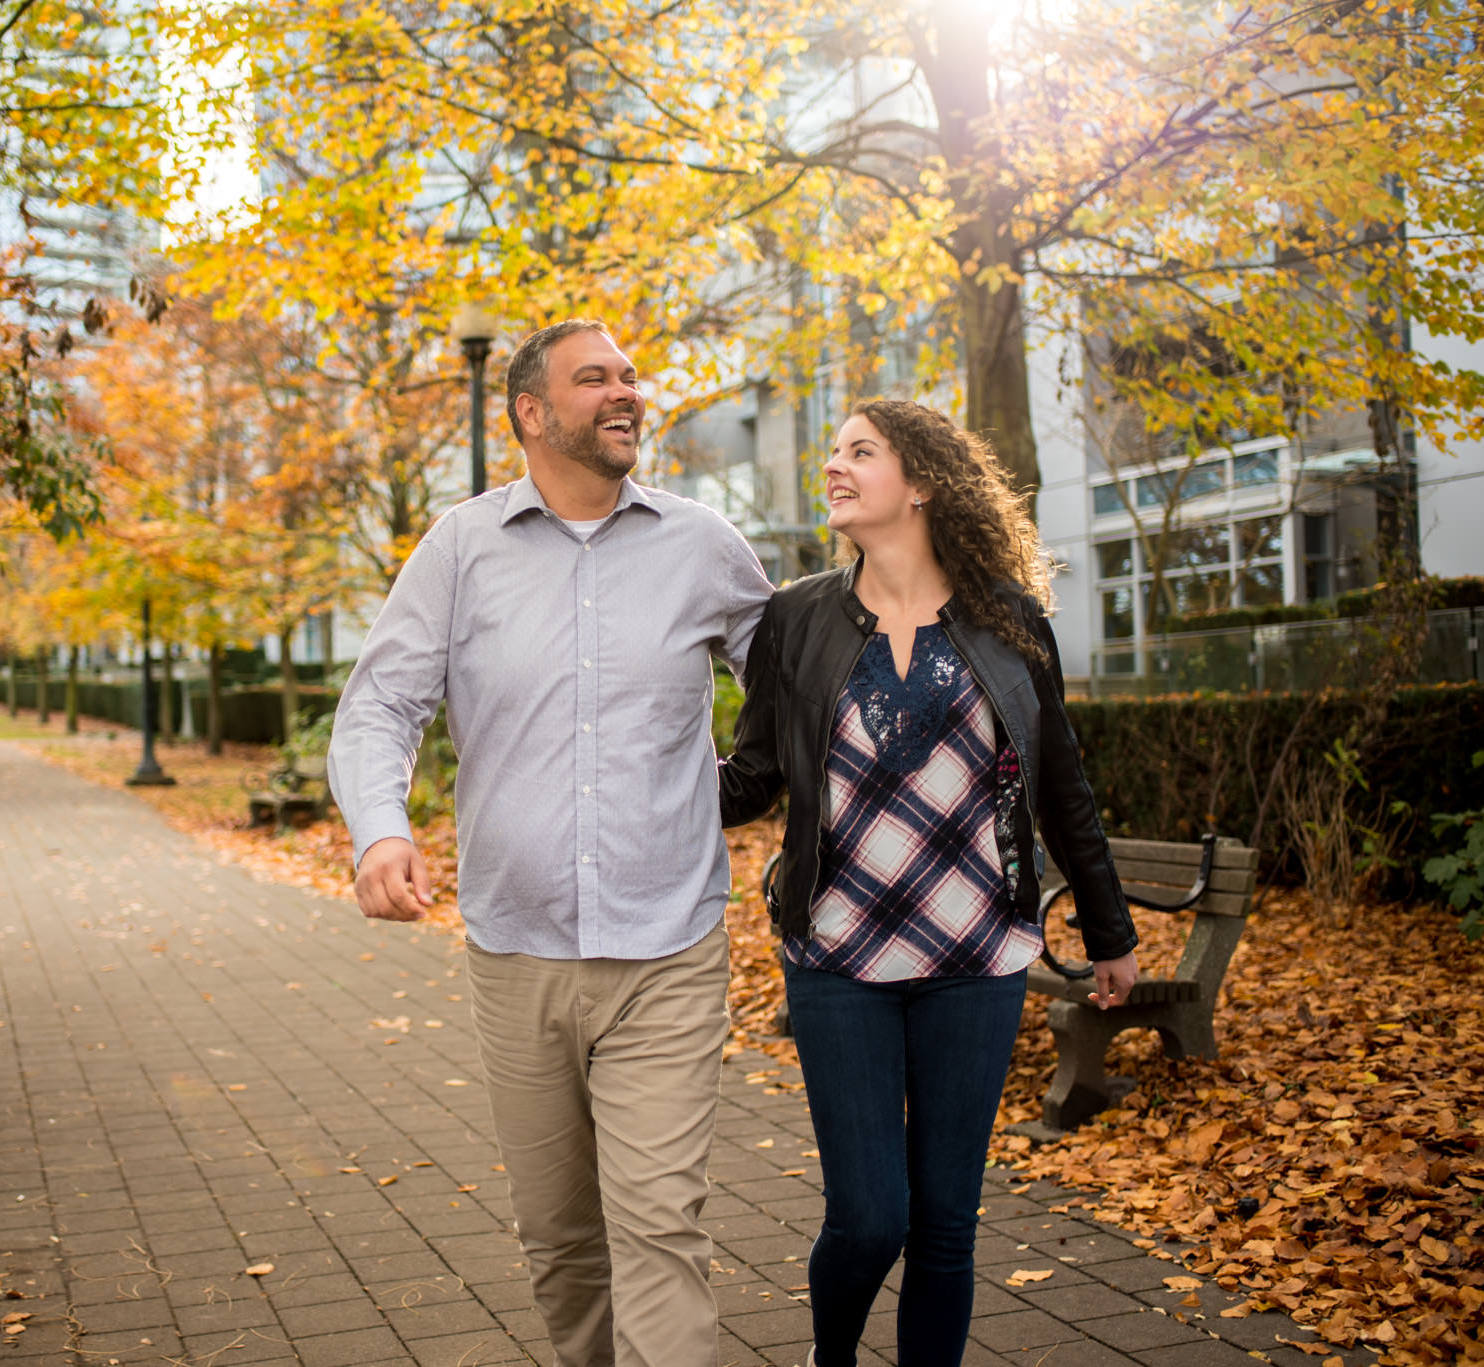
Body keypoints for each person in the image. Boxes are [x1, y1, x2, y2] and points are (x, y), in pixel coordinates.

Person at [328, 319, 774, 1367]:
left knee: (658, 1226)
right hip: (514, 947)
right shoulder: (459, 546)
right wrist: (377, 832)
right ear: (530, 412)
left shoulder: (703, 545)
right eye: (594, 379)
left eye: (628, 376)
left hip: (665, 947)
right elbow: (380, 706)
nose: (624, 392)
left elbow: (798, 696)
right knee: (561, 1240)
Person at [718, 399, 1140, 1367]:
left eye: (858, 451)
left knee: (946, 1221)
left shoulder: (1006, 617)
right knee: (869, 1215)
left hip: (975, 955)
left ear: (920, 483)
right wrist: (629, 790)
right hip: (836, 953)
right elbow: (750, 775)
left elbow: (1060, 783)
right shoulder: (797, 618)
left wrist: (1109, 931)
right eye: (831, 450)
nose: (832, 465)